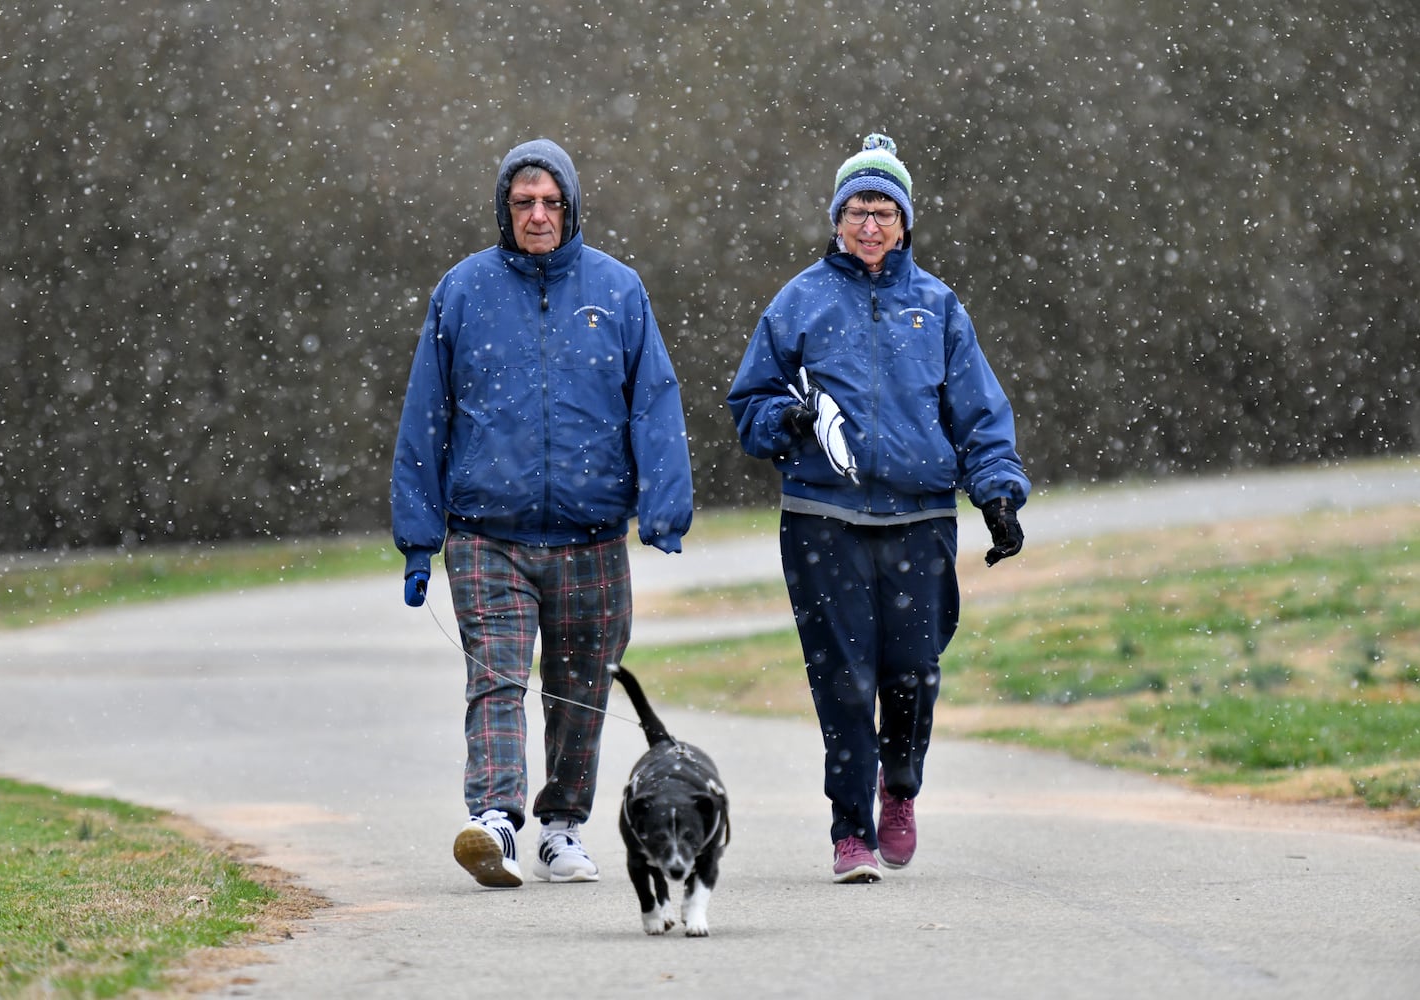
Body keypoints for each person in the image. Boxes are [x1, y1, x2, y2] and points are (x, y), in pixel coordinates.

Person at [391, 138, 694, 889]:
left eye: (549, 202)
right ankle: (494, 817)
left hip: (590, 534)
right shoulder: (461, 292)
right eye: (522, 202)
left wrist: (665, 507)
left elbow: (653, 403)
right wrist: (419, 537)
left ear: (571, 209)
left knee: (580, 687)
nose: (536, 214)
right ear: (504, 209)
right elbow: (425, 415)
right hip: (486, 532)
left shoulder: (618, 293)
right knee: (496, 679)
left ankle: (562, 825)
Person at [727, 133, 1028, 883]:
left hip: (918, 517)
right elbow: (749, 407)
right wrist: (784, 423)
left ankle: (898, 786)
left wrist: (997, 494)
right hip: (820, 517)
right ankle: (849, 831)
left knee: (911, 673)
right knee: (841, 679)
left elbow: (978, 415)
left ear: (904, 223)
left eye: (884, 212)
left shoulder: (937, 307)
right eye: (857, 211)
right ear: (835, 219)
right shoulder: (798, 301)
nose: (869, 226)